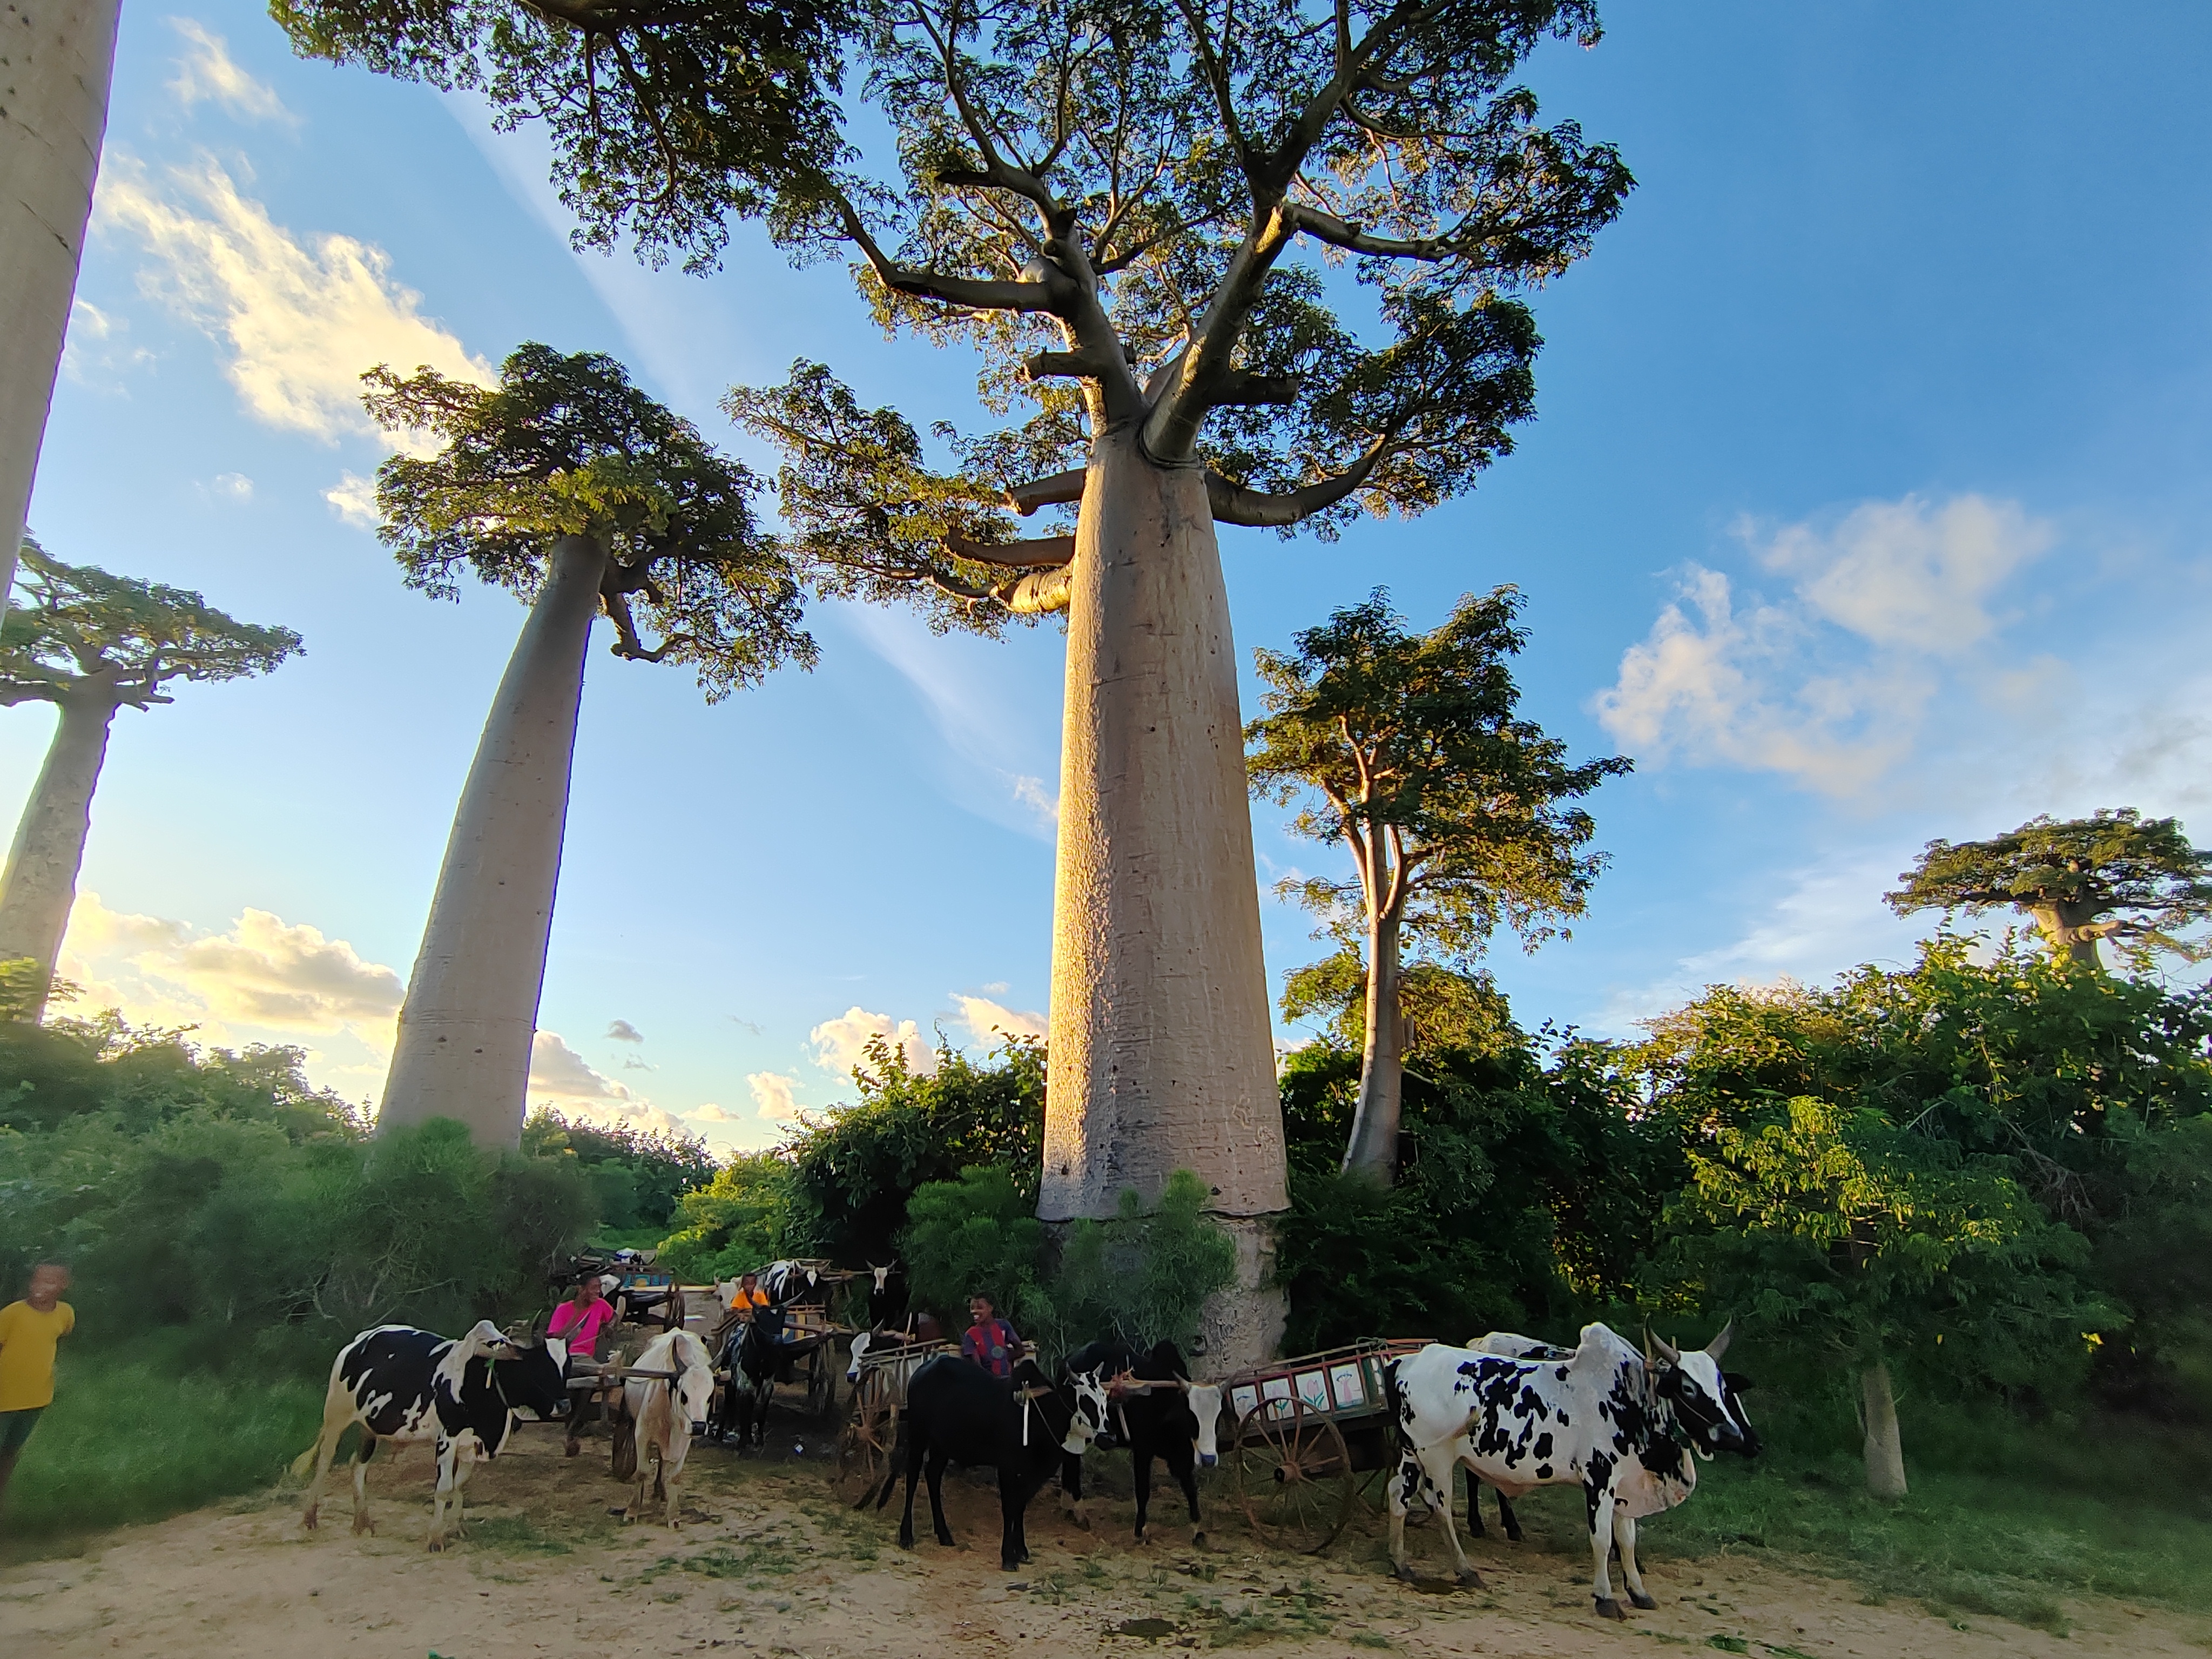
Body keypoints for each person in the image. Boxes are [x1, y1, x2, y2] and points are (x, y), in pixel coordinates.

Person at [0, 1263, 75, 1507]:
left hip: (36, 1397)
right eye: (37, 1281)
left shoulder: (65, 1314)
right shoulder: (12, 1313)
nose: (40, 1287)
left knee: (11, 1451)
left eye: (49, 1282)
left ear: (63, 1287)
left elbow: (60, 1337)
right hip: (4, 1397)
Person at [549, 1275, 615, 1366]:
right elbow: (555, 1339)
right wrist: (577, 1314)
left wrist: (610, 1325)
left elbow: (615, 1316)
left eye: (599, 1287)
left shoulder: (601, 1304)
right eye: (593, 1288)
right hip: (565, 1357)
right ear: (581, 1289)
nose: (598, 1291)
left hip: (585, 1357)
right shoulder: (563, 1309)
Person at [961, 1293, 1021, 1380]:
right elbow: (975, 1366)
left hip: (1007, 1381)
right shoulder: (971, 1334)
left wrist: (1005, 1358)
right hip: (986, 1383)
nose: (974, 1311)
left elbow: (1020, 1350)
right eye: (972, 1308)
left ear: (990, 1308)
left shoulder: (1003, 1326)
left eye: (980, 1308)